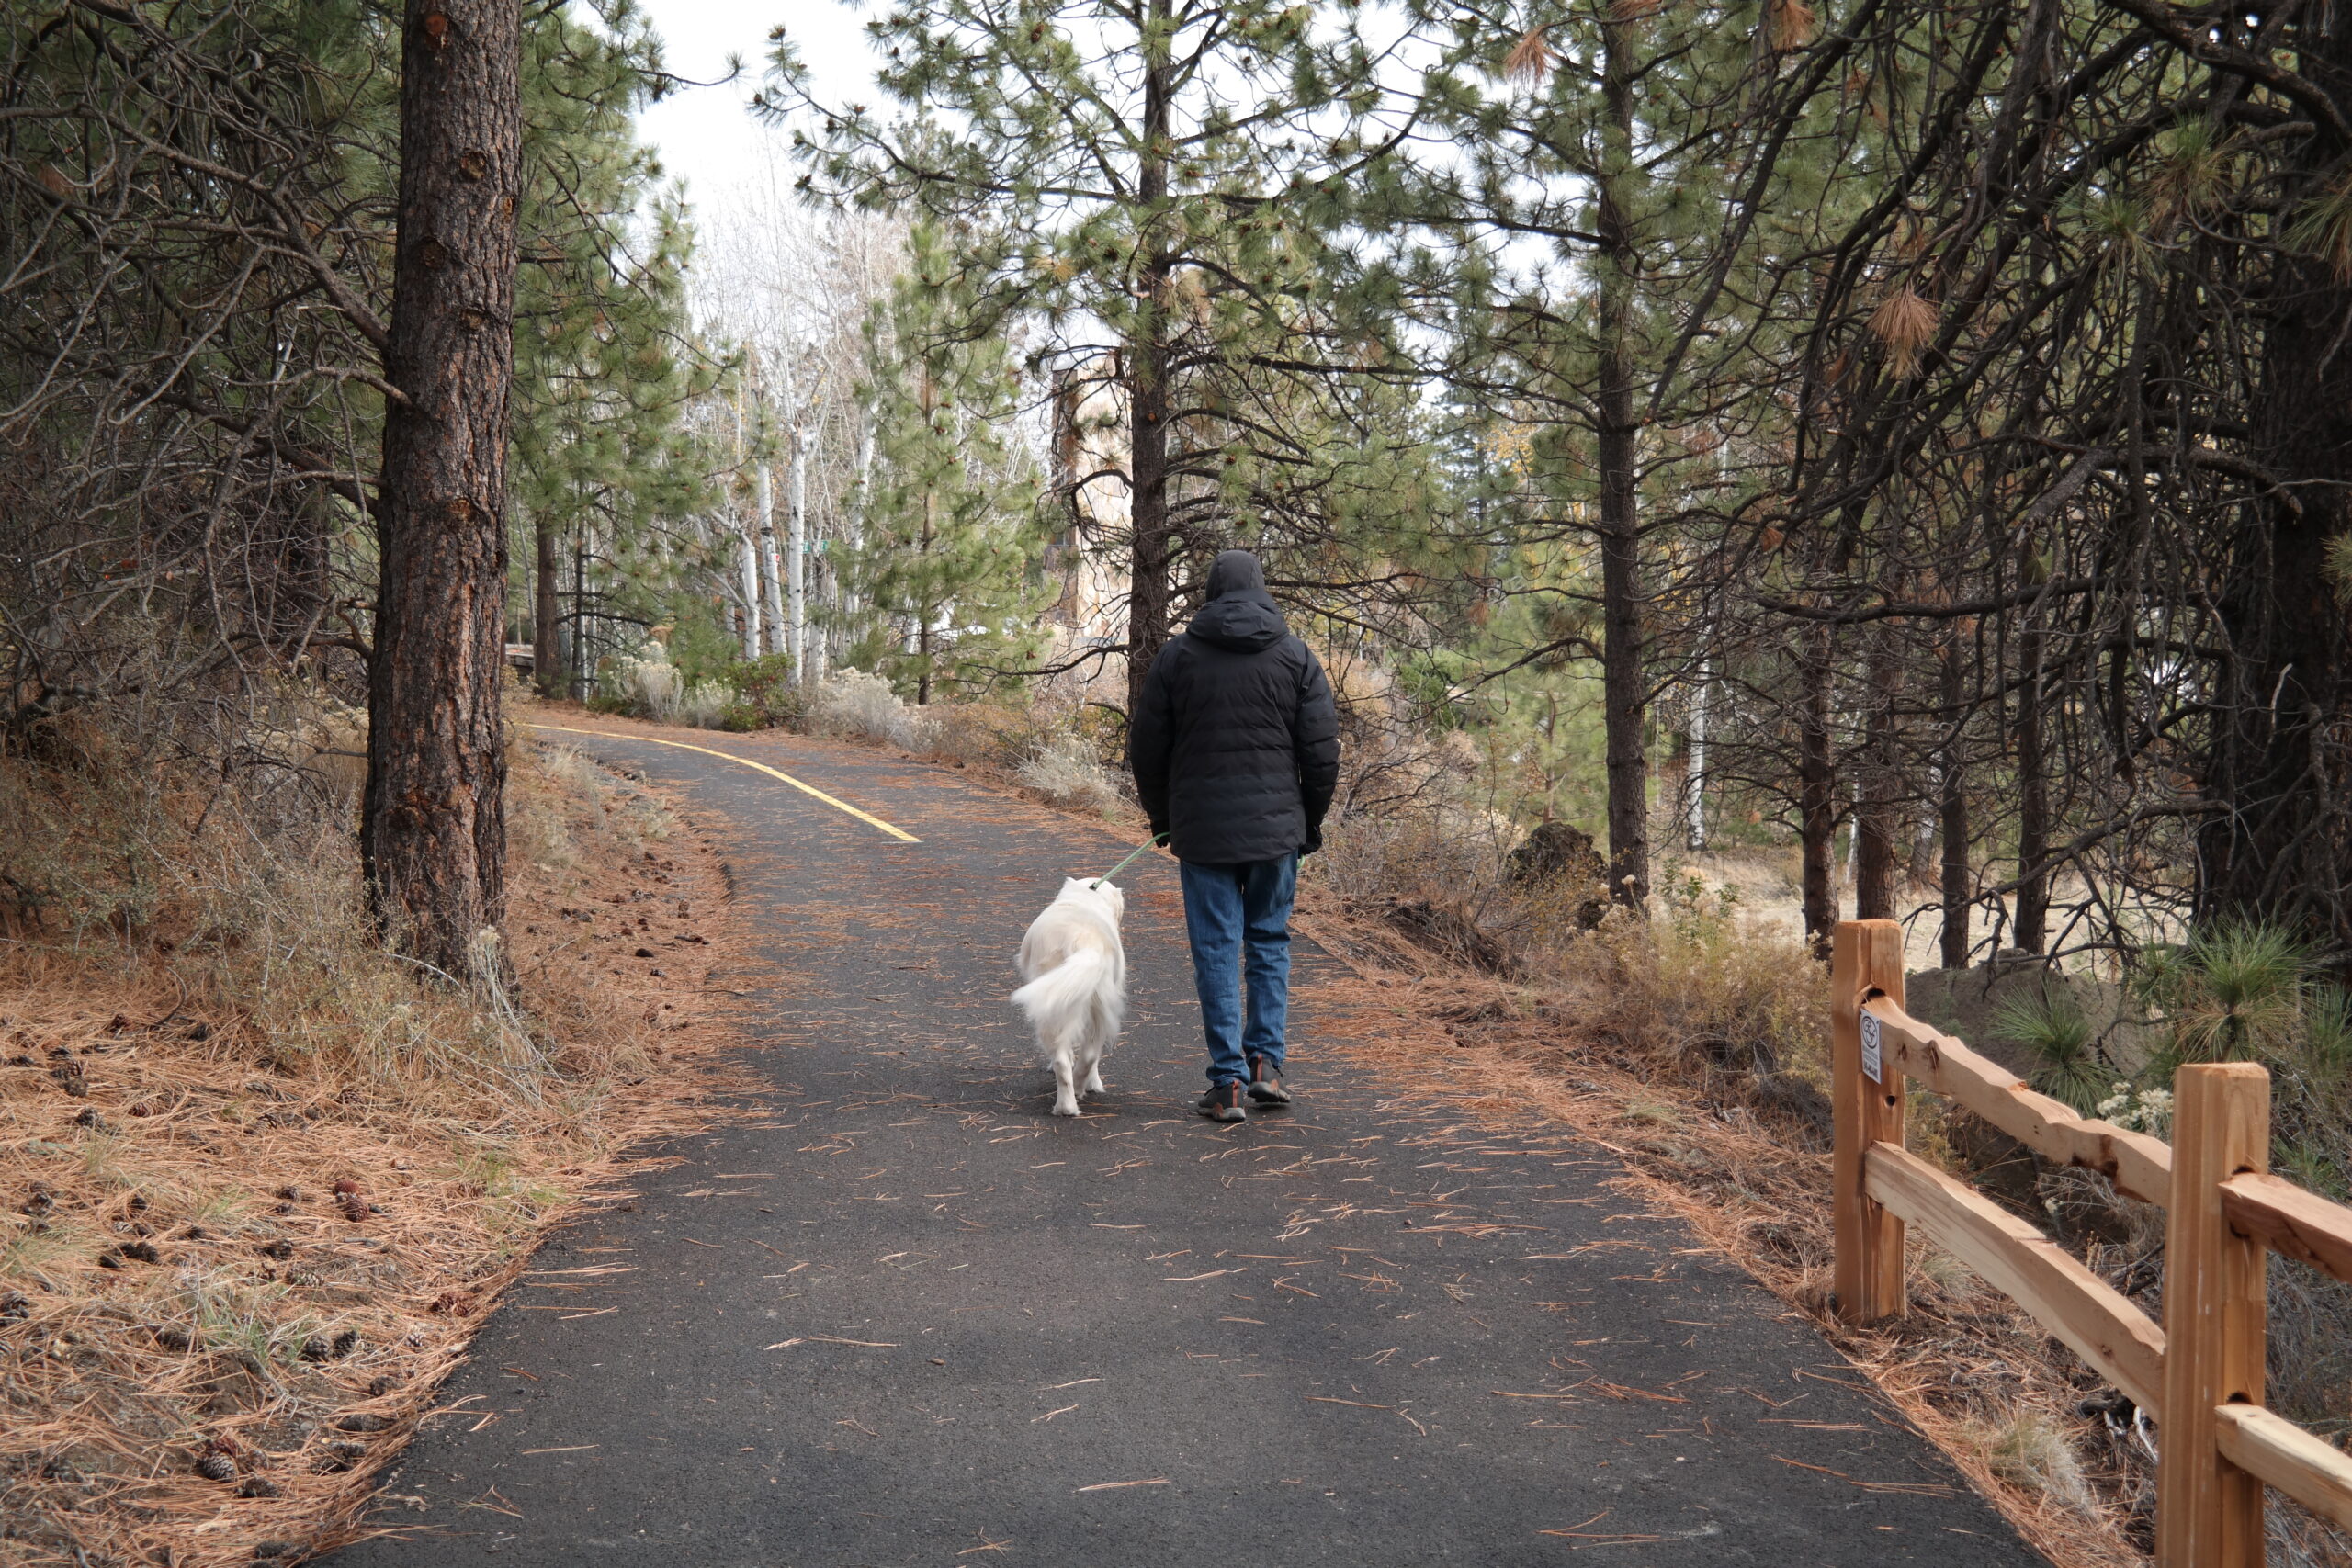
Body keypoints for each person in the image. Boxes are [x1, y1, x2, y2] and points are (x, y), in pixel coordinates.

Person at [1129, 549, 1340, 1123]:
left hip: (1202, 833)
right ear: (1261, 589)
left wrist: (1160, 817)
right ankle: (1266, 1066)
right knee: (1268, 942)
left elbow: (1147, 750)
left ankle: (1226, 1084)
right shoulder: (1296, 656)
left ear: (1211, 592)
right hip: (1276, 834)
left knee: (1216, 949)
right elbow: (1321, 755)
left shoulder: (1177, 657)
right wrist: (1309, 823)